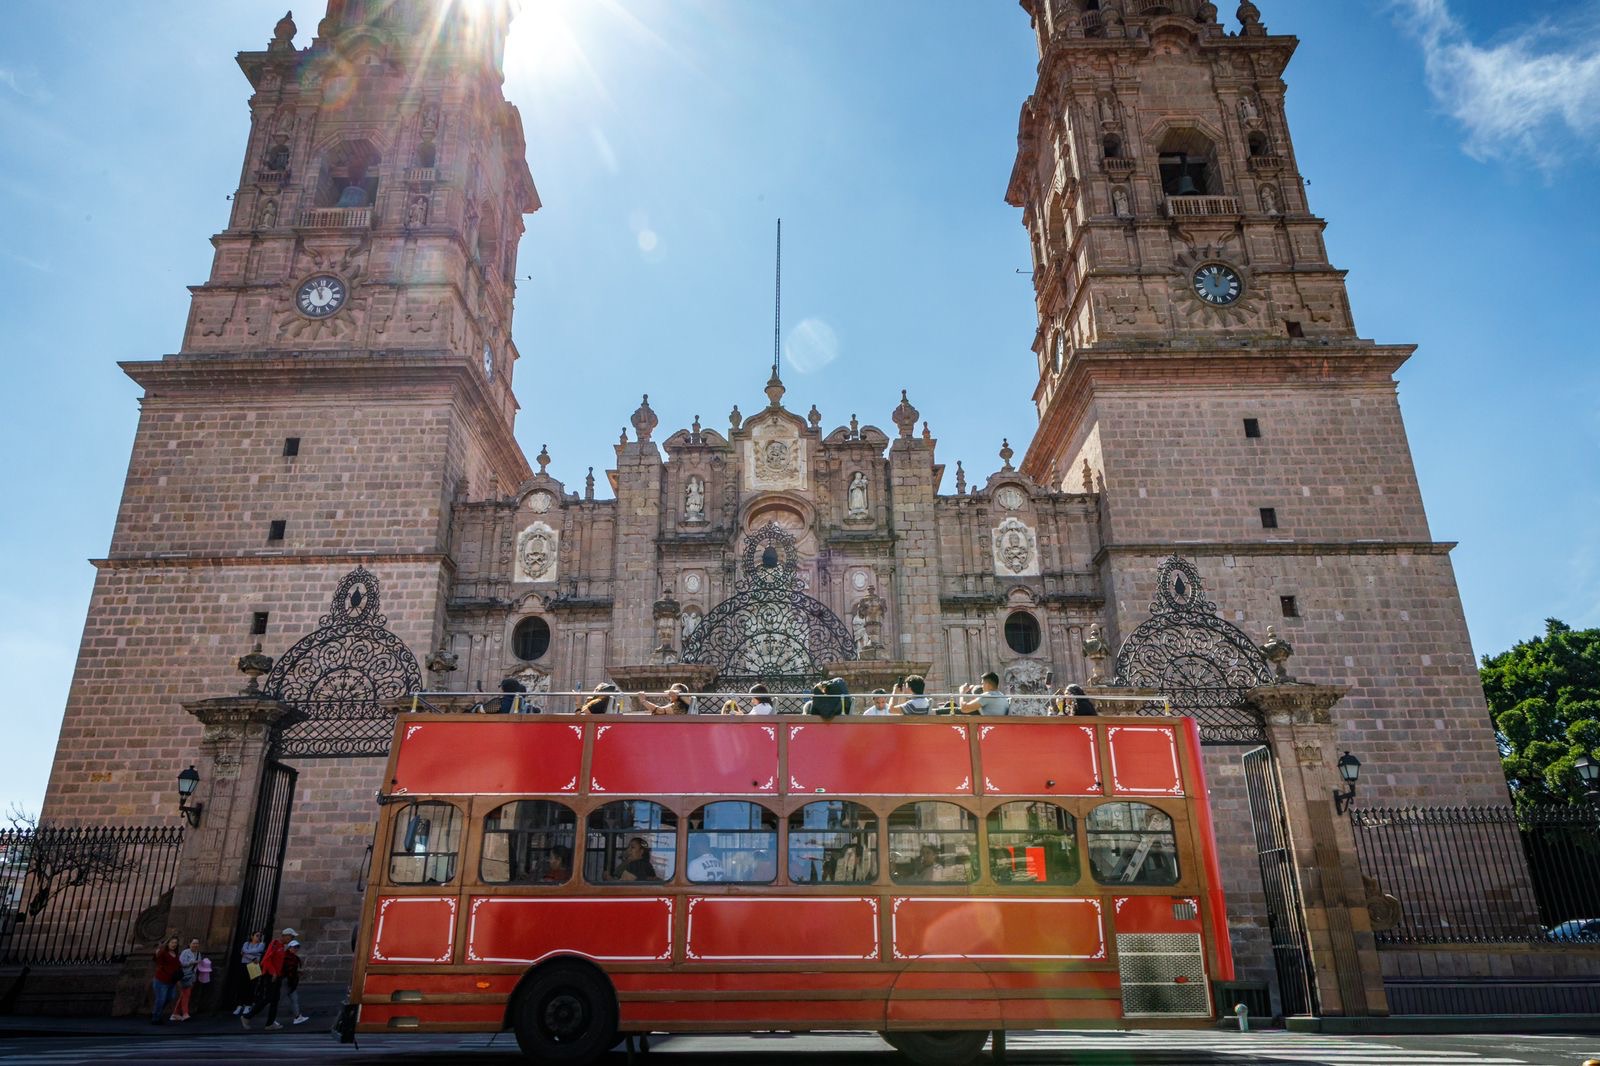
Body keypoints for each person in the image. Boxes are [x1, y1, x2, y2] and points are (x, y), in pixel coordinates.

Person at [241, 926, 293, 1030]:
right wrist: (273, 973)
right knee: (268, 998)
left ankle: (270, 1023)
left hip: (277, 976)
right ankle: (247, 1016)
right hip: (271, 976)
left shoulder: (282, 947)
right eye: (290, 937)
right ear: (285, 936)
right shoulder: (275, 944)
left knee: (275, 1000)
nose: (291, 939)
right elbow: (267, 959)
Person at [151, 936, 182, 1025]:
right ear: (168, 943)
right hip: (161, 980)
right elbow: (157, 960)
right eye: (172, 942)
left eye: (175, 943)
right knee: (161, 999)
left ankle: (156, 1012)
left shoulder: (175, 954)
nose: (174, 944)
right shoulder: (163, 953)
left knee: (170, 998)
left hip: (171, 981)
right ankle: (156, 1017)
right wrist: (159, 950)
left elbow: (176, 965)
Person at [234, 930, 266, 1016]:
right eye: (257, 935)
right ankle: (240, 1004)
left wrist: (245, 954)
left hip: (254, 966)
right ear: (252, 936)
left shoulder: (261, 945)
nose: (258, 937)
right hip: (244, 965)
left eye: (260, 936)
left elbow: (246, 952)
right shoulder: (246, 944)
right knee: (242, 984)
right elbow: (245, 951)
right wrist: (253, 957)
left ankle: (248, 1004)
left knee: (251, 985)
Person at [170, 937, 201, 1021]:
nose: (195, 945)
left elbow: (198, 965)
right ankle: (185, 1013)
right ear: (189, 944)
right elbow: (180, 964)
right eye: (194, 943)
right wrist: (190, 963)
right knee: (186, 994)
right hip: (185, 975)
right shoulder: (185, 952)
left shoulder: (198, 953)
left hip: (192, 976)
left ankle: (175, 1014)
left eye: (197, 943)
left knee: (184, 995)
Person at [283, 938, 310, 1025]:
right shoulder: (286, 957)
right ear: (289, 947)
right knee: (278, 1000)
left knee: (294, 999)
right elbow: (287, 969)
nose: (296, 949)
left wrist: (298, 972)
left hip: (291, 981)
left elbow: (293, 969)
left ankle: (297, 1017)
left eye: (297, 947)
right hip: (285, 980)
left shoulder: (294, 958)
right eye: (294, 947)